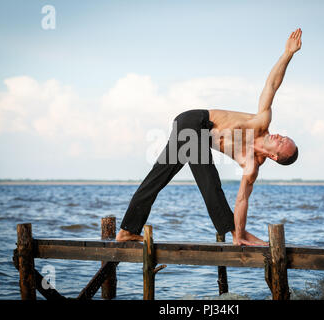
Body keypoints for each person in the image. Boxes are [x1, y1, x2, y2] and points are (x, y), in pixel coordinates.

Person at [116, 28, 302, 246]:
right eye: (284, 137)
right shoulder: (261, 123)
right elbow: (271, 85)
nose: (280, 136)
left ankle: (126, 231)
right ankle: (235, 234)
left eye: (282, 142)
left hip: (193, 137)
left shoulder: (251, 165)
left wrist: (240, 230)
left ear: (275, 157)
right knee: (209, 180)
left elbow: (242, 199)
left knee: (158, 178)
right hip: (193, 121)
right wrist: (287, 54)